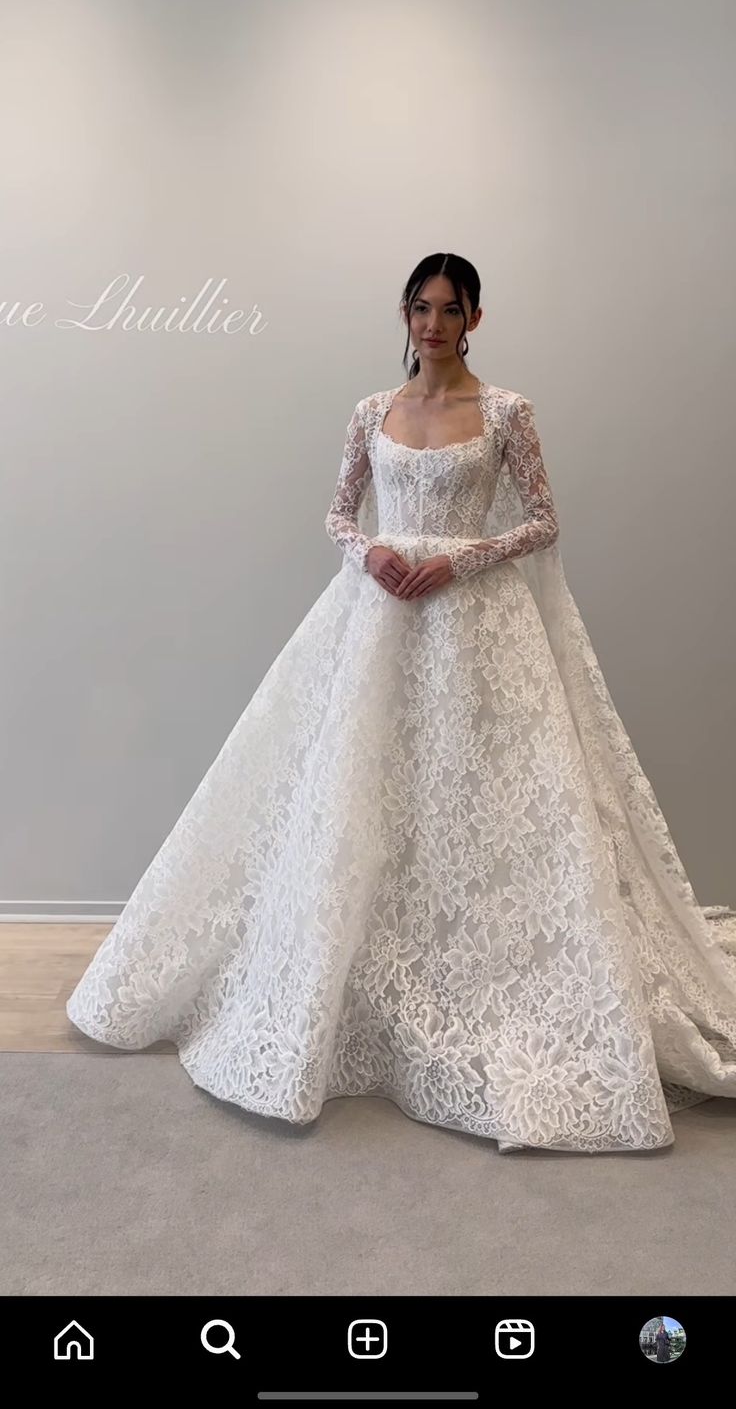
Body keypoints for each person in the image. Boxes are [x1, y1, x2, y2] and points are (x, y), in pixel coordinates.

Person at [67, 251, 736, 1153]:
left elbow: (544, 519)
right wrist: (369, 551)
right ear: (406, 314)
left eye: (449, 309)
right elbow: (340, 511)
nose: (431, 324)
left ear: (475, 318)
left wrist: (456, 556)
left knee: (479, 807)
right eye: (419, 308)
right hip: (377, 621)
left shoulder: (506, 412)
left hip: (476, 629)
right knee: (357, 795)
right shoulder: (371, 411)